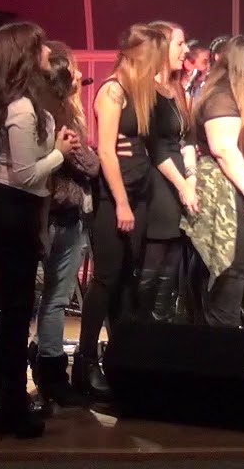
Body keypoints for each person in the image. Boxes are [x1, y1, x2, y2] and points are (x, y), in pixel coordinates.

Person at [0, 22, 77, 438]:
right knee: (14, 311)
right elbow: (26, 175)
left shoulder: (0, 101)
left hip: (3, 205)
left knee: (6, 305)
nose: (49, 51)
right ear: (26, 56)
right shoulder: (20, 107)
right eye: (41, 46)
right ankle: (10, 406)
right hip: (12, 208)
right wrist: (60, 152)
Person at [73, 25, 165, 401]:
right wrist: (122, 203)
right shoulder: (111, 91)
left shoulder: (139, 93)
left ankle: (120, 358)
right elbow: (107, 151)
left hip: (140, 192)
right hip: (116, 197)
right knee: (107, 278)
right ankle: (84, 362)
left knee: (128, 278)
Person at [182, 36, 244, 327]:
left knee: (236, 269)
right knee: (229, 270)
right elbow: (223, 148)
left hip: (239, 188)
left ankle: (221, 335)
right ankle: (223, 339)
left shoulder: (239, 96)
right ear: (241, 66)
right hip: (227, 194)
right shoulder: (221, 97)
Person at [31, 41, 100, 410]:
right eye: (74, 68)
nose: (80, 74)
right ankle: (49, 374)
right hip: (54, 216)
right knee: (52, 299)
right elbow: (86, 164)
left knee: (53, 300)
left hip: (62, 216)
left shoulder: (60, 111)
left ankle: (49, 369)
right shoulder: (53, 116)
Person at [141, 21, 197, 323]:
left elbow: (187, 139)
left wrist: (192, 177)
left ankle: (160, 320)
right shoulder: (146, 90)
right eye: (180, 43)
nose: (185, 50)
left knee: (174, 257)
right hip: (159, 182)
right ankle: (142, 325)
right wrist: (182, 185)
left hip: (179, 179)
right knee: (155, 257)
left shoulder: (177, 89)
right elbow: (157, 147)